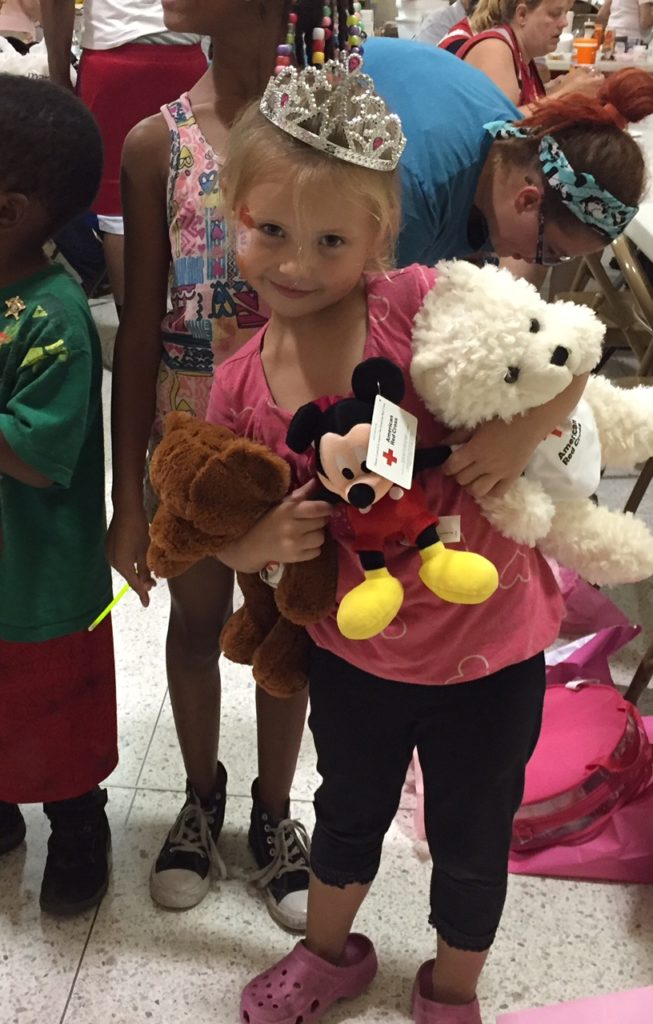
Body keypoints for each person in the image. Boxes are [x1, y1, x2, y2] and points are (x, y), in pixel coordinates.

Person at [203, 50, 578, 1024]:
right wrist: (257, 544)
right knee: (345, 811)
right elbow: (224, 529)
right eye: (270, 230)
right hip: (354, 646)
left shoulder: (419, 303)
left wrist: (516, 427)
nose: (294, 262)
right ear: (231, 214)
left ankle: (451, 986)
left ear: (376, 238)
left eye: (329, 240)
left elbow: (567, 354)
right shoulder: (240, 382)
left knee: (470, 832)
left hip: (490, 638)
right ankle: (325, 951)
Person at [106, 0, 313, 930]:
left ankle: (275, 811)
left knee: (285, 633)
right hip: (189, 442)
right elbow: (138, 328)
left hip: (300, 437)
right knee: (195, 624)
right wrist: (126, 494)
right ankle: (202, 792)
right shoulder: (159, 143)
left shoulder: (323, 125)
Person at [0, 74, 116, 916]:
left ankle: (78, 826)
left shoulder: (53, 315)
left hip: (38, 578)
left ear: (9, 212)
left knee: (54, 718)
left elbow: (40, 458)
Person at [39, 0, 207, 314]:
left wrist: (59, 75)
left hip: (114, 59)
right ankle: (193, 326)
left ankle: (137, 329)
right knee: (195, 195)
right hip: (187, 54)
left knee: (120, 211)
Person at [452, 0, 601, 111]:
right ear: (522, 15)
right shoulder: (495, 48)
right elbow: (502, 128)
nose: (564, 23)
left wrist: (560, 87)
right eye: (555, 14)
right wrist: (565, 94)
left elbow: (524, 106)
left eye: (565, 14)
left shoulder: (524, 54)